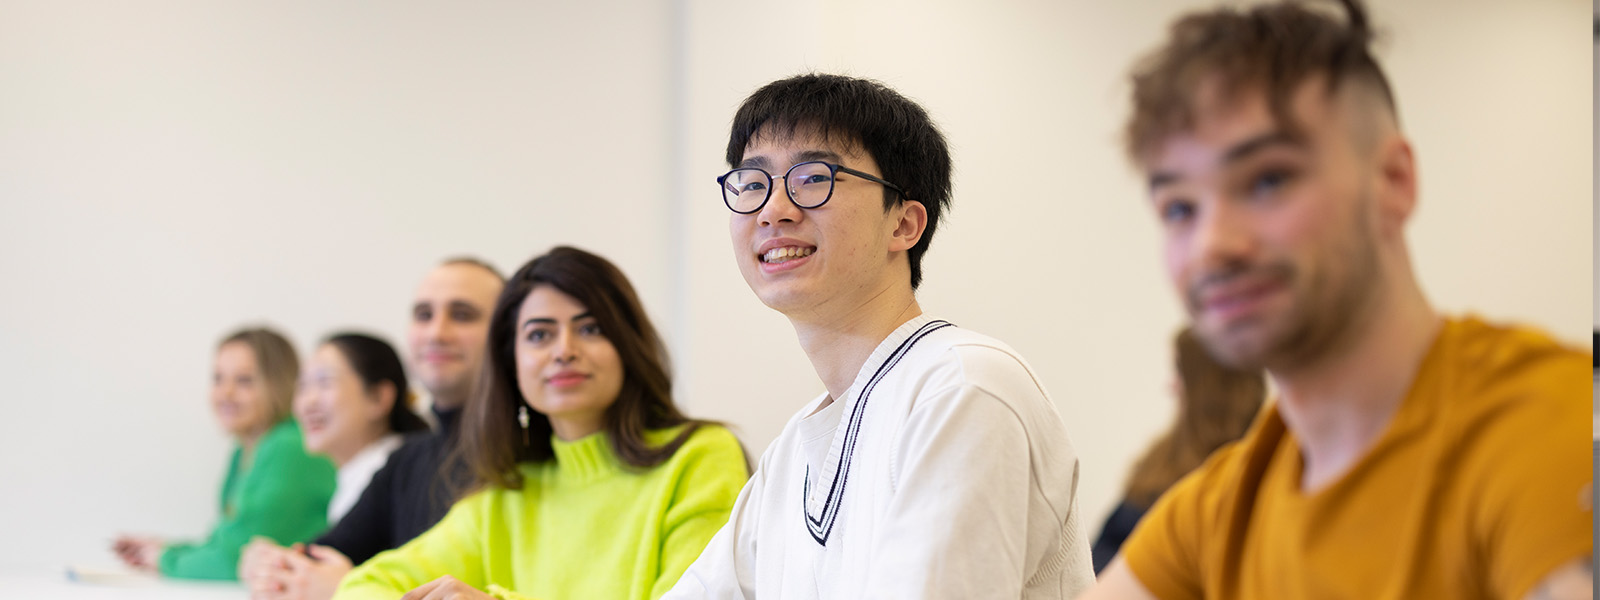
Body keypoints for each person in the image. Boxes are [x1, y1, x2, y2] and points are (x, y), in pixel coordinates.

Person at [1082, 1, 1593, 598]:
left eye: (1268, 180)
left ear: (1394, 183)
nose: (1212, 246)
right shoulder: (1216, 512)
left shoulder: (1541, 426)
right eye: (1179, 209)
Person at [666, 73, 1093, 599]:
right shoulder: (790, 455)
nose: (774, 210)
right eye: (753, 184)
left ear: (905, 225)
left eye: (813, 177)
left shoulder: (963, 388)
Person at [333, 246, 749, 600]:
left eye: (590, 328)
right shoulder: (505, 494)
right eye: (538, 335)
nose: (564, 351)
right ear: (511, 363)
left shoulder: (700, 457)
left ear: (627, 344)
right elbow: (363, 585)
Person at [241, 258, 504, 600]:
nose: (437, 332)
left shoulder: (521, 457)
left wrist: (348, 587)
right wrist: (268, 565)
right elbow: (321, 555)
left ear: (507, 333)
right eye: (424, 315)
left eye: (463, 314)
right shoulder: (407, 460)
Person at [114, 327, 336, 580]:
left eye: (244, 381)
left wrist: (164, 559)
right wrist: (168, 549)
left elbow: (233, 561)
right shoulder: (244, 451)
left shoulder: (290, 448)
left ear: (278, 383)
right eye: (218, 379)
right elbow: (226, 540)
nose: (225, 393)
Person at [1090, 327, 1264, 573]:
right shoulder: (1163, 453)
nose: (1170, 386)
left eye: (1180, 373)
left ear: (1205, 386)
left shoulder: (1248, 469)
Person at [295, 333, 430, 525]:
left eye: (324, 383)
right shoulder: (355, 476)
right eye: (302, 386)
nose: (308, 401)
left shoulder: (393, 477)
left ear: (378, 398)